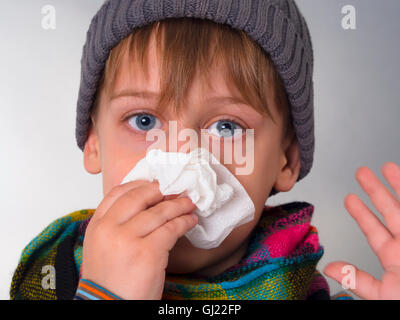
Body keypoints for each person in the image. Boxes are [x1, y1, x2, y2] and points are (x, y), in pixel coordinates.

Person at [10, 0, 400, 300]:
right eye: (144, 121)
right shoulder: (53, 273)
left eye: (226, 127)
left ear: (287, 160)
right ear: (94, 142)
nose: (182, 161)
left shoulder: (299, 286)